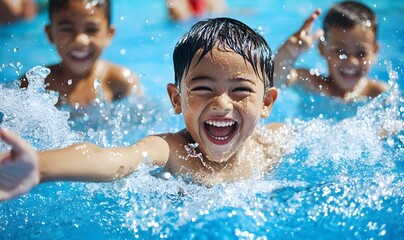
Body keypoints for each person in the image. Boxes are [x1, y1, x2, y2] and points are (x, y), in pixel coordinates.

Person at [0, 17, 287, 201]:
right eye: (202, 88)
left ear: (266, 103)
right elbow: (114, 158)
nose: (222, 104)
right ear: (176, 99)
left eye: (240, 90)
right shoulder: (171, 151)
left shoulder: (270, 145)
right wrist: (41, 166)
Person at [20, 0, 140, 107]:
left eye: (92, 29)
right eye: (67, 29)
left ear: (109, 34)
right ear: (50, 34)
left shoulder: (120, 81)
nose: (80, 41)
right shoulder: (34, 84)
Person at [273, 1, 388, 101]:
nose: (351, 62)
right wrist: (288, 52)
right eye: (340, 51)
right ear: (322, 49)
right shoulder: (311, 83)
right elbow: (274, 81)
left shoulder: (379, 94)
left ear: (375, 51)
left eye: (361, 53)